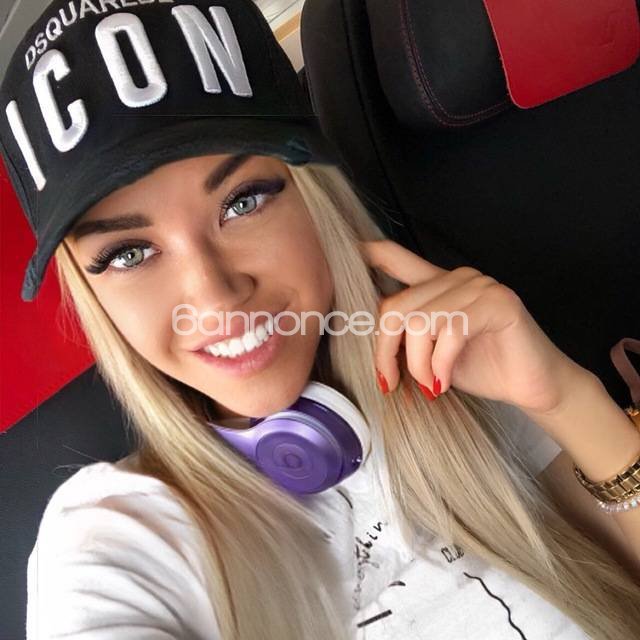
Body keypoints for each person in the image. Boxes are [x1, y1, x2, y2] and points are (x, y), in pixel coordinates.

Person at [1, 1, 639, 639]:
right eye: (127, 254)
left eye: (242, 202)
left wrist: (567, 399)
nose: (215, 298)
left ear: (314, 197)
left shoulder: (455, 359)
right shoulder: (117, 543)